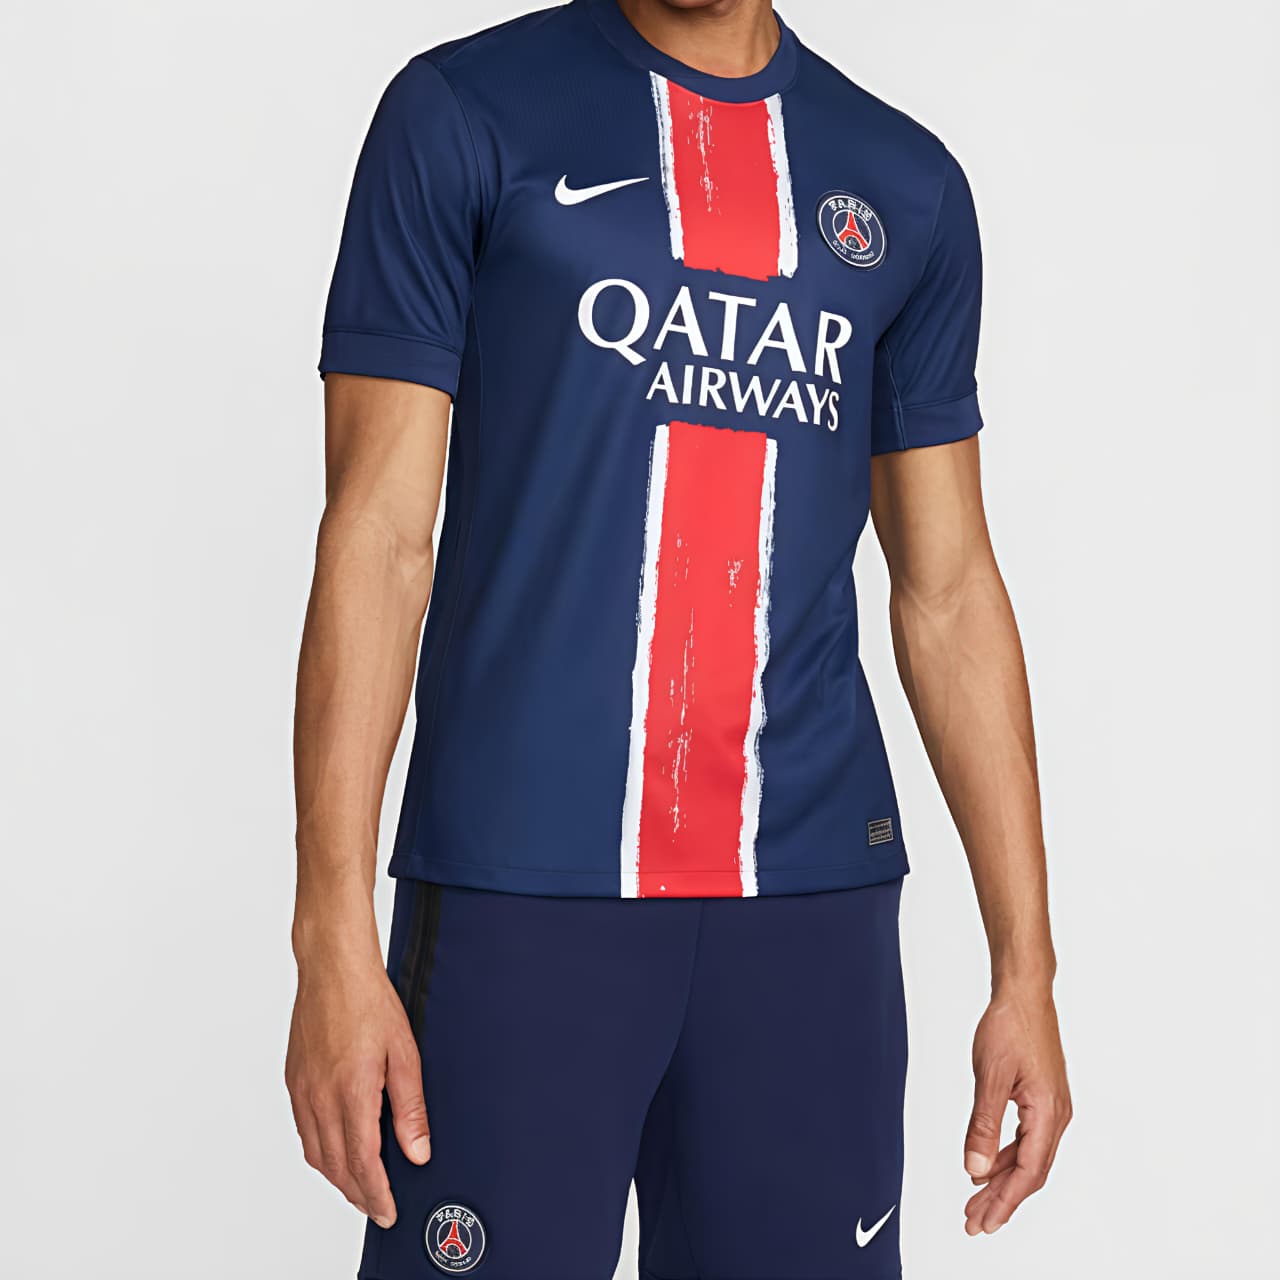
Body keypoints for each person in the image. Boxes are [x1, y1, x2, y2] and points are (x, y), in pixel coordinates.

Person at [287, 0, 1072, 1275]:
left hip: (806, 896)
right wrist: (326, 931)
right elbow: (376, 535)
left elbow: (947, 589)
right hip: (521, 886)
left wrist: (1024, 967)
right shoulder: (463, 113)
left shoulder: (902, 182)